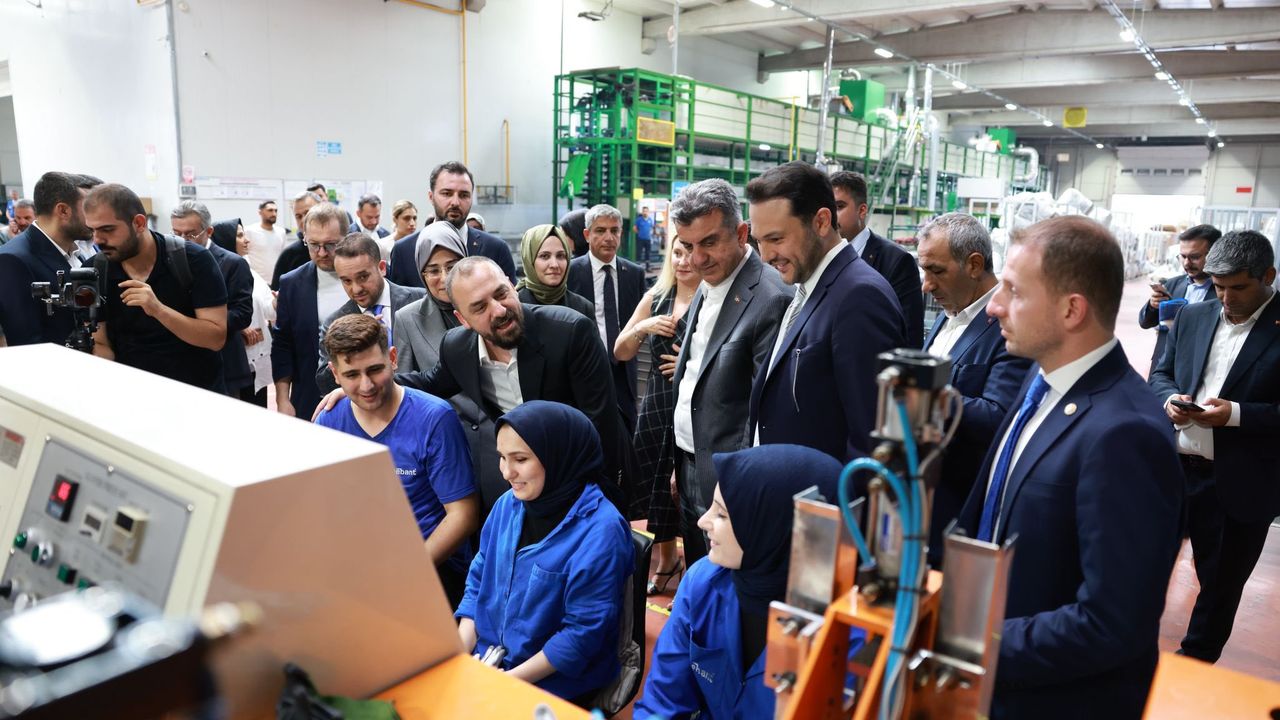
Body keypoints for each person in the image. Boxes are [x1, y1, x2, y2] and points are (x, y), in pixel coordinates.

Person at [955, 215, 1183, 719]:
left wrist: (970, 641)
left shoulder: (1126, 434)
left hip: (1050, 700)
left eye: (1014, 291)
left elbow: (1112, 622)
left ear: (1071, 310)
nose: (994, 306)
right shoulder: (1041, 384)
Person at [317, 257, 630, 517]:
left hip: (586, 483)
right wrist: (362, 385)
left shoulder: (570, 332)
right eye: (480, 307)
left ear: (513, 284)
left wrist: (597, 503)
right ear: (462, 319)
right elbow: (431, 382)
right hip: (526, 486)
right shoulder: (458, 348)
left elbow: (601, 426)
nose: (499, 309)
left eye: (501, 293)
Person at [634, 445, 850, 720]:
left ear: (772, 529)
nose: (703, 521)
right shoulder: (702, 582)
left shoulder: (846, 633)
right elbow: (663, 702)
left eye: (722, 514)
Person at [1149, 229, 1280, 664]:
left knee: (1219, 588)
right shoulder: (1193, 316)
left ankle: (1194, 668)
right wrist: (1170, 400)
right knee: (1143, 566)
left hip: (1240, 483)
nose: (1225, 298)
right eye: (1219, 286)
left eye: (1237, 288)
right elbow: (1161, 374)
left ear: (1268, 276)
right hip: (1174, 472)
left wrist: (1236, 415)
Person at [457, 400, 632, 703]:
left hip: (554, 684)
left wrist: (504, 682)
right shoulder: (509, 504)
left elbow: (581, 634)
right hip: (490, 663)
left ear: (558, 456)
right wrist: (459, 655)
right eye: (502, 457)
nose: (506, 472)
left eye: (520, 459)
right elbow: (478, 581)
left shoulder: (601, 531)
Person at [667, 178, 791, 568]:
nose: (697, 259)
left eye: (709, 242)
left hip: (730, 480)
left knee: (726, 584)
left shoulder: (771, 297)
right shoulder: (710, 283)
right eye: (687, 246)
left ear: (741, 234)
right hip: (691, 464)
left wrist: (734, 486)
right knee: (698, 578)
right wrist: (683, 460)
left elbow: (763, 416)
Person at [316, 314, 479, 608]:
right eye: (352, 375)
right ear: (335, 374)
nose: (366, 385)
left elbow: (463, 515)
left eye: (375, 370)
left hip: (431, 563)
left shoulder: (434, 418)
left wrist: (405, 571)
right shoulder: (329, 421)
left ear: (393, 359)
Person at [746, 162, 906, 461]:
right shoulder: (808, 288)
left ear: (821, 222)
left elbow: (871, 439)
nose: (765, 256)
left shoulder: (860, 296)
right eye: (759, 241)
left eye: (776, 239)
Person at [917, 213, 1031, 564]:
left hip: (962, 507)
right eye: (924, 271)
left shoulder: (1008, 327)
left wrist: (926, 397)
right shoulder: (950, 312)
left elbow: (1000, 417)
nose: (926, 285)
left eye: (936, 271)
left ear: (974, 265)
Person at [615, 237, 700, 594]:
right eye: (677, 253)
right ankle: (666, 561)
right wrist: (643, 327)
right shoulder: (657, 297)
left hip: (693, 405)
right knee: (654, 485)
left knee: (688, 490)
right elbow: (620, 351)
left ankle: (692, 572)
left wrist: (689, 364)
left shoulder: (712, 298)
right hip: (656, 403)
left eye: (689, 252)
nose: (683, 260)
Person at [84, 184, 229, 390]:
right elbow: (102, 343)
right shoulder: (95, 270)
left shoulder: (193, 260)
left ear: (139, 223)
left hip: (195, 394)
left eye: (108, 229)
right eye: (92, 230)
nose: (98, 240)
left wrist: (158, 310)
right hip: (133, 394)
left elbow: (215, 338)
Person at [567, 203, 646, 432]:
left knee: (627, 430)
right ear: (587, 235)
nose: (609, 238)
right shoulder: (570, 273)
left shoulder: (634, 274)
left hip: (624, 369)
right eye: (600, 231)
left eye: (614, 230)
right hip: (586, 367)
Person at [314, 232, 425, 394]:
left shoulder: (420, 300)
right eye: (346, 281)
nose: (356, 289)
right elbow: (324, 384)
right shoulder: (334, 323)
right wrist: (352, 339)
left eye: (363, 277)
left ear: (382, 268)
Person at [0, 172, 101, 347]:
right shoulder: (13, 259)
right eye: (90, 209)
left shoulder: (77, 251)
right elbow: (27, 342)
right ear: (63, 210)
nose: (97, 218)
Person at [271, 203, 350, 419]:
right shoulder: (292, 283)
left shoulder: (365, 277)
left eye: (331, 245)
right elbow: (283, 344)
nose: (321, 253)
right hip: (309, 392)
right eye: (313, 244)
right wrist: (282, 399)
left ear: (346, 238)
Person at [169, 204, 254, 400]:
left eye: (190, 234)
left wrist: (201, 322)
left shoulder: (233, 263)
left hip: (223, 362)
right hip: (179, 362)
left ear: (209, 231)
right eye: (176, 233)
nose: (182, 240)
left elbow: (242, 313)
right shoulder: (168, 260)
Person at [830, 170, 924, 346]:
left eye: (839, 207)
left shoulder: (897, 261)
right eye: (828, 208)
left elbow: (910, 336)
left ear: (862, 210)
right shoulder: (822, 259)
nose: (831, 216)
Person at [387, 161, 516, 287]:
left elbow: (509, 298)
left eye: (464, 195)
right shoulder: (404, 250)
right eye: (447, 194)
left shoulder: (496, 249)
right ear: (431, 197)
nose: (455, 202)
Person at [1139, 224, 1221, 374]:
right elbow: (1145, 322)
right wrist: (1152, 306)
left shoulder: (1223, 293)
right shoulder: (1171, 285)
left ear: (1215, 254)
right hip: (1163, 368)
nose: (1186, 263)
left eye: (1194, 257)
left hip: (1200, 370)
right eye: (1183, 256)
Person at [232, 218, 275, 408]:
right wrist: (239, 328)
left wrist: (277, 301)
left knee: (258, 405)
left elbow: (267, 309)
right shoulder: (218, 270)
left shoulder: (248, 270)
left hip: (256, 354)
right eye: (240, 236)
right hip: (235, 359)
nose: (246, 240)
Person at [515, 224, 594, 319]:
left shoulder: (583, 307)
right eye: (545, 256)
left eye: (560, 256)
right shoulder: (513, 305)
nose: (554, 265)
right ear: (529, 260)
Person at [271, 190, 324, 290]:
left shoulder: (340, 248)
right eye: (298, 216)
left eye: (308, 213)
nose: (303, 220)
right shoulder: (289, 255)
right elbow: (277, 293)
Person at [243, 200, 287, 280]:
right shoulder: (249, 231)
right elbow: (243, 254)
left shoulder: (281, 232)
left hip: (277, 279)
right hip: (257, 280)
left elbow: (283, 256)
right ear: (260, 212)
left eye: (276, 211)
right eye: (270, 210)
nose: (274, 214)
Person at [633, 205, 654, 269]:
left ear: (648, 212)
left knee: (648, 253)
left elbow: (652, 228)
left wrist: (650, 233)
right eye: (644, 211)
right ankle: (637, 267)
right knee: (639, 253)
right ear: (642, 212)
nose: (645, 212)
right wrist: (639, 233)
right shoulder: (639, 220)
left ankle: (648, 267)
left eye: (646, 211)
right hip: (640, 239)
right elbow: (634, 228)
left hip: (648, 239)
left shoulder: (650, 220)